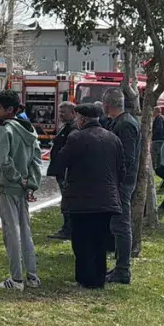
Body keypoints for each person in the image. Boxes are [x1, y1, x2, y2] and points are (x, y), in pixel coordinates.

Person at [55, 103, 123, 289]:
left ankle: (84, 279)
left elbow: (61, 161)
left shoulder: (76, 137)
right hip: (107, 199)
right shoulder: (113, 138)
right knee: (100, 240)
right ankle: (98, 279)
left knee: (82, 240)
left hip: (82, 199)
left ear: (82, 119)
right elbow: (121, 169)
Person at [0, 90, 42, 291]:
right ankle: (32, 276)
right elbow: (36, 161)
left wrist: (17, 179)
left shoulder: (5, 130)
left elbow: (2, 161)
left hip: (9, 187)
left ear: (9, 109)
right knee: (25, 232)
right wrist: (30, 184)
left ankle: (16, 279)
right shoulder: (29, 129)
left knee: (11, 233)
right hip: (23, 187)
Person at [102, 88, 140, 284]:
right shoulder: (120, 122)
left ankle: (123, 269)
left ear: (107, 105)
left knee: (121, 225)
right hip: (119, 182)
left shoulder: (125, 125)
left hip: (122, 183)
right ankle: (119, 266)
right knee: (117, 225)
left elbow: (128, 157)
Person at [47, 101, 77, 241]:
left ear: (73, 113)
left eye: (64, 112)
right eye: (59, 112)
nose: (60, 115)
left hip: (66, 172)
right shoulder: (65, 127)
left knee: (67, 201)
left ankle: (68, 229)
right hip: (60, 171)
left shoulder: (73, 129)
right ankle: (68, 228)